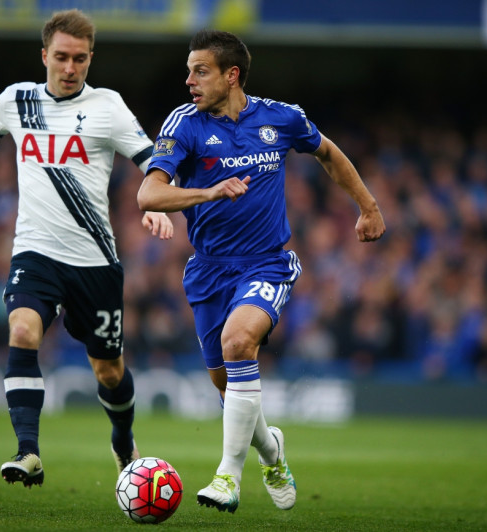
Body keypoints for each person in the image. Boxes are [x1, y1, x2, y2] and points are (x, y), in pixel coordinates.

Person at [0, 9, 173, 488]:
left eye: (81, 60)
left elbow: (151, 156)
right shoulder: (17, 100)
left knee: (109, 371)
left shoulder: (108, 106)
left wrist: (156, 200)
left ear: (91, 60)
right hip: (35, 251)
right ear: (44, 55)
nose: (71, 69)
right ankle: (28, 451)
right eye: (63, 58)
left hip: (95, 261)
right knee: (23, 331)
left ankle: (122, 441)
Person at [138, 29, 385, 513]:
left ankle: (228, 478)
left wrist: (368, 207)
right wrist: (208, 192)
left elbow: (328, 154)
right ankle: (272, 450)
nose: (188, 79)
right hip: (209, 270)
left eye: (200, 70)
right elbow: (149, 194)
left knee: (238, 342)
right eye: (188, 70)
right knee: (226, 384)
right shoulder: (183, 125)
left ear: (231, 75)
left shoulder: (281, 117)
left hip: (267, 262)